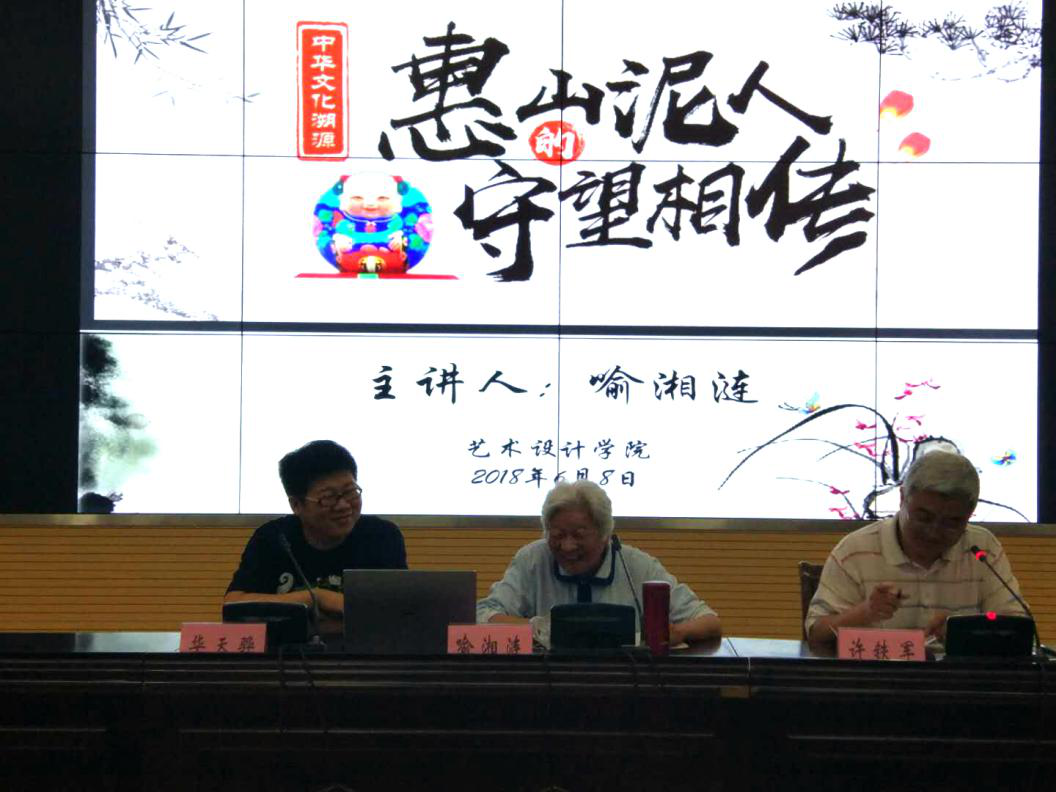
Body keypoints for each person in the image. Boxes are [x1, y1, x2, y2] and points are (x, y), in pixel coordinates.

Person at [806, 450, 1026, 644]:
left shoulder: (983, 550)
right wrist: (865, 612)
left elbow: (1017, 628)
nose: (934, 532)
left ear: (970, 514)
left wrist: (963, 631)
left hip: (959, 675)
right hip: (880, 674)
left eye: (952, 522)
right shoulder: (855, 550)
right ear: (902, 497)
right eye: (923, 517)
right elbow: (815, 634)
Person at [477, 480, 720, 645]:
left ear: (605, 534)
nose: (567, 546)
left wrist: (678, 632)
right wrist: (537, 628)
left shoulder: (636, 565)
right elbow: (483, 615)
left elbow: (709, 622)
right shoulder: (533, 559)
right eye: (558, 535)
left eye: (579, 536)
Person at [224, 440, 406, 632]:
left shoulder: (381, 537)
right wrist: (316, 597)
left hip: (364, 650)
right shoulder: (273, 538)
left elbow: (400, 612)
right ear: (296, 505)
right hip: (287, 651)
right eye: (328, 497)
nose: (343, 505)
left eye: (350, 492)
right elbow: (232, 606)